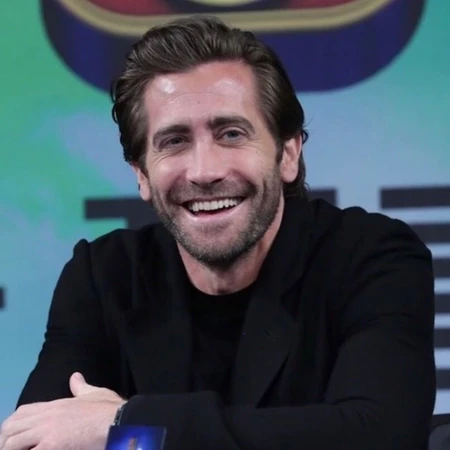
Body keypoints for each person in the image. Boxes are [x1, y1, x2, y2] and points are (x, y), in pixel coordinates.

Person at [0, 15, 436, 450]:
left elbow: (382, 435)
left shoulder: (371, 258)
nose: (204, 171)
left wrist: (126, 423)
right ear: (142, 175)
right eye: (174, 141)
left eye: (230, 134)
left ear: (287, 153)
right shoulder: (103, 276)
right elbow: (34, 440)